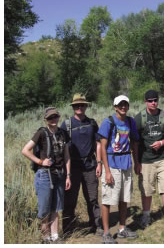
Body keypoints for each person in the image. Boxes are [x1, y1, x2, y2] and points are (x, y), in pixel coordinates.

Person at [22, 107, 71, 243]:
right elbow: (25, 150)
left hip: (60, 174)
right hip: (44, 175)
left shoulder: (63, 133)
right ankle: (45, 237)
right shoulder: (41, 133)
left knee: (56, 208)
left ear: (58, 117)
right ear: (46, 119)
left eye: (55, 116)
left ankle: (55, 236)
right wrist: (40, 161)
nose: (53, 119)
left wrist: (68, 175)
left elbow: (67, 156)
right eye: (50, 117)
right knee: (44, 209)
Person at [97, 95, 140, 244]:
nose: (123, 107)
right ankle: (107, 233)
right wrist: (106, 171)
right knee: (108, 199)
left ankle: (122, 228)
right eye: (120, 105)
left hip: (126, 163)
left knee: (124, 198)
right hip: (112, 164)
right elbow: (102, 146)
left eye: (125, 104)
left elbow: (134, 142)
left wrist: (137, 163)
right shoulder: (108, 122)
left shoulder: (130, 121)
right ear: (115, 107)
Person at [134, 90, 164, 228]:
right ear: (145, 102)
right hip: (146, 159)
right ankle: (146, 216)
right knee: (146, 189)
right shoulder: (139, 118)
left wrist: (161, 143)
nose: (153, 102)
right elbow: (134, 142)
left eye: (155, 100)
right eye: (150, 100)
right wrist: (136, 162)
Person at [60, 94, 103, 236]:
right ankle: (68, 229)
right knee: (70, 200)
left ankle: (96, 225)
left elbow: (98, 144)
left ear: (86, 106)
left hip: (90, 165)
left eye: (82, 105)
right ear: (73, 107)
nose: (80, 107)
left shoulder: (92, 123)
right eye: (77, 105)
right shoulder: (66, 125)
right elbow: (62, 148)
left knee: (92, 198)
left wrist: (99, 163)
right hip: (72, 168)